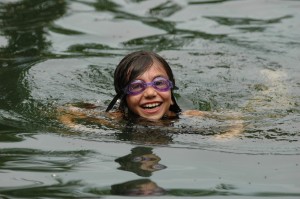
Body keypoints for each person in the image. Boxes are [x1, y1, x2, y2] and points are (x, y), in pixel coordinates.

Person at [58, 50, 242, 138]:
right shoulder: (114, 119)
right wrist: (79, 130)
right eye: (137, 86)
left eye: (160, 84)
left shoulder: (188, 118)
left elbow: (236, 119)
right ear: (124, 97)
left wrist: (225, 137)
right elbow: (65, 111)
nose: (151, 93)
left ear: (170, 91)